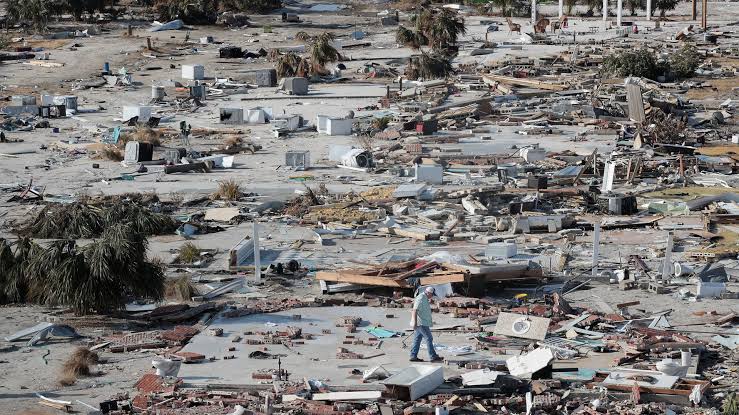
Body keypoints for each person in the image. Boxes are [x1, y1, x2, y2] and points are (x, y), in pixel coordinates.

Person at [409, 286, 443, 363]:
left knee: (417, 339)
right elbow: (414, 310)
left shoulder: (425, 298)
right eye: (431, 294)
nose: (432, 296)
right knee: (429, 338)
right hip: (421, 323)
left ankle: (413, 356)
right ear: (428, 293)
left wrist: (434, 310)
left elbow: (424, 309)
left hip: (423, 322)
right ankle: (433, 356)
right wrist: (414, 322)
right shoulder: (421, 298)